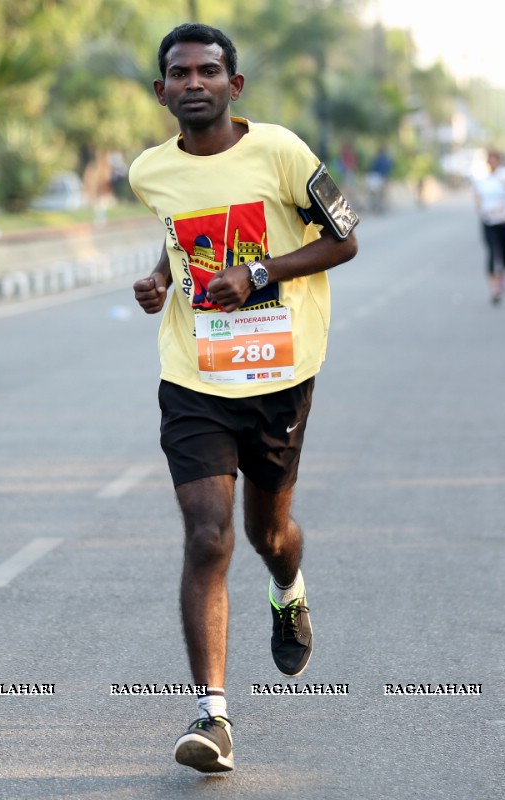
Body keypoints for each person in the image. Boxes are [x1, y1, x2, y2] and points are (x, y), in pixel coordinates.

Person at [128, 23, 359, 774]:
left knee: (270, 532)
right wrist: (161, 278)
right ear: (161, 92)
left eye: (208, 70)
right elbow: (178, 230)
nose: (193, 83)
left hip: (278, 377)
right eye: (179, 74)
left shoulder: (283, 152)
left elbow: (346, 237)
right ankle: (213, 717)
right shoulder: (149, 171)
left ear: (235, 85)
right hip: (193, 377)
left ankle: (288, 585)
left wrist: (261, 275)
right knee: (207, 537)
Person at [472, 150, 505, 304]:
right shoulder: (482, 179)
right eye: (490, 160)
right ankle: (493, 288)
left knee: (504, 254)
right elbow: (477, 197)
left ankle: (502, 276)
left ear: (499, 161)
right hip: (489, 222)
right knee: (492, 252)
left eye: (495, 160)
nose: (492, 163)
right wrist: (480, 210)